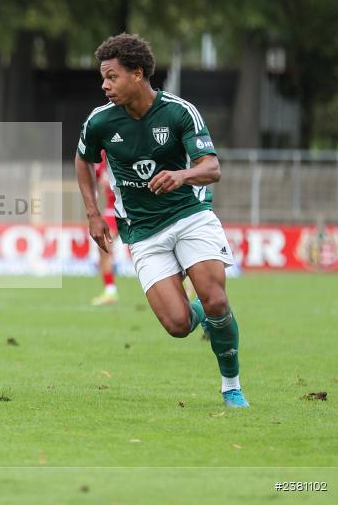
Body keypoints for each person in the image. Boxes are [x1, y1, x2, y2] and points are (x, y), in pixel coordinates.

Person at [74, 33, 247, 408]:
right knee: (178, 325)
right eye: (102, 78)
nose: (104, 85)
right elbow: (82, 160)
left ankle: (231, 385)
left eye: (112, 76)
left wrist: (181, 175)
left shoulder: (179, 112)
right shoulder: (101, 121)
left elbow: (212, 167)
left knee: (217, 300)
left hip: (189, 215)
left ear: (137, 74)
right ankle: (200, 308)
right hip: (142, 230)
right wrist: (92, 214)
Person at [91, 150, 119, 305]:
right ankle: (110, 291)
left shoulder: (126, 147)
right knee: (103, 245)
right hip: (112, 208)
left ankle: (187, 287)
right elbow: (93, 178)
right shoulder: (101, 155)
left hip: (133, 207)